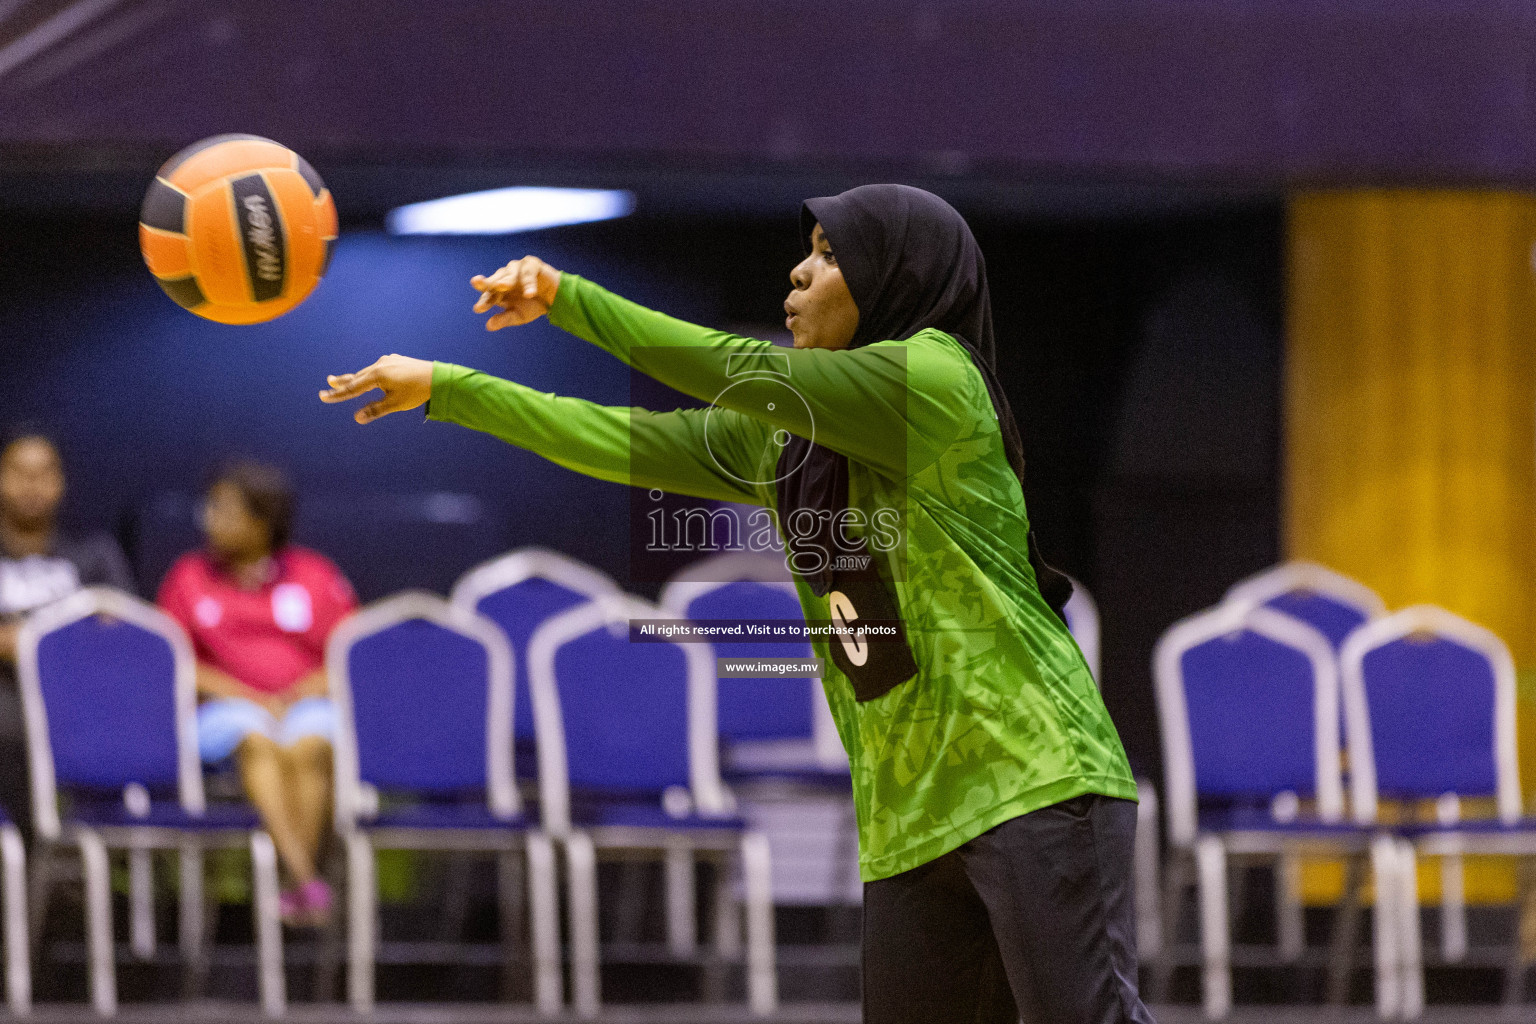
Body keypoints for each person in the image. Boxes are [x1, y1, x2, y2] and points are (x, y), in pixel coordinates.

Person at [320, 184, 1152, 1023]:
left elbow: (730, 366)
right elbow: (611, 437)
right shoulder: (784, 445)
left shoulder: (938, 380)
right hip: (911, 811)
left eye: (831, 255)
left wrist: (571, 302)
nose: (798, 271)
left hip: (1034, 778)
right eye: (809, 249)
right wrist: (448, 387)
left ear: (897, 277)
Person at [157, 461, 356, 926]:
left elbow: (350, 653)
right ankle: (304, 880)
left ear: (262, 521)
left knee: (310, 745)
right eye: (211, 507)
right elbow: (171, 661)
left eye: (225, 510)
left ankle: (297, 890)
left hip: (304, 708)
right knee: (258, 744)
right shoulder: (188, 576)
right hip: (223, 716)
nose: (210, 518)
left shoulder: (314, 574)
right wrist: (242, 694)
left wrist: (301, 691)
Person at [0, 429, 135, 841]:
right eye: (19, 473)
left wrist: (28, 643)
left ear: (61, 482)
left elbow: (125, 636)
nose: (31, 486)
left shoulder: (95, 555)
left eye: (43, 474)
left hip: (78, 702)